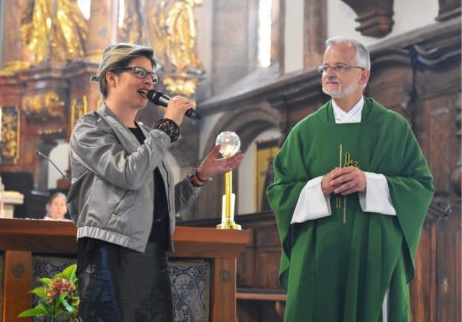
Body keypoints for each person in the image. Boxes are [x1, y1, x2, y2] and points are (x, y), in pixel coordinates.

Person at [68, 43, 243, 321]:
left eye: (152, 75)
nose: (149, 81)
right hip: (111, 253)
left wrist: (200, 176)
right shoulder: (91, 127)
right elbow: (128, 174)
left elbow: (157, 203)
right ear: (111, 77)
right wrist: (168, 126)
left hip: (152, 253)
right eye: (139, 72)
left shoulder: (149, 135)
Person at [266, 37, 434, 322]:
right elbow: (279, 192)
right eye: (325, 67)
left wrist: (370, 183)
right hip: (318, 253)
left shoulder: (393, 128)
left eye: (340, 67)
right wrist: (318, 188)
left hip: (374, 253)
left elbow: (421, 186)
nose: (329, 74)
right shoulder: (304, 132)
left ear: (364, 75)